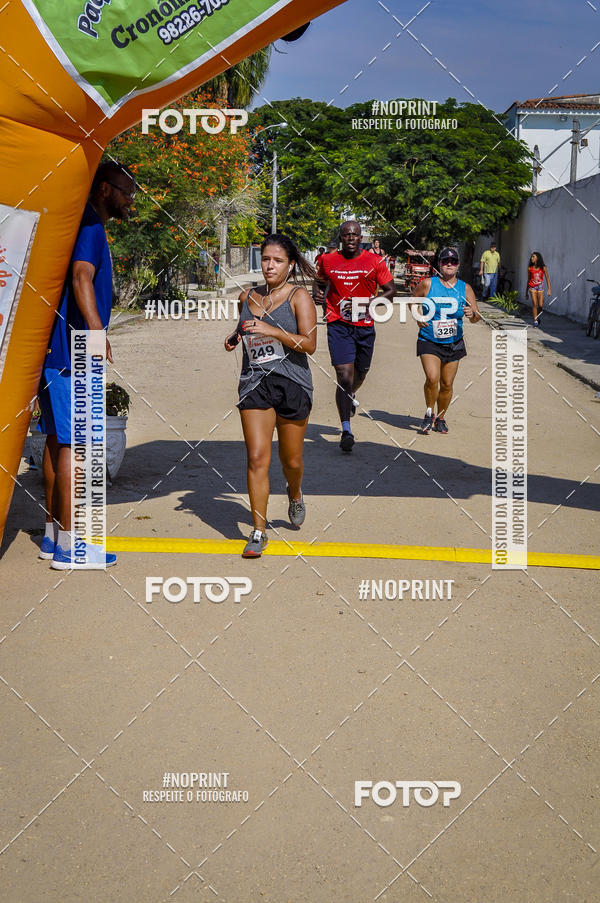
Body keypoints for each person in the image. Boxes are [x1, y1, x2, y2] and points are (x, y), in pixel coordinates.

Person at [37, 161, 135, 569]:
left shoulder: (80, 222)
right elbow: (81, 278)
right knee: (78, 445)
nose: (131, 200)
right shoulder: (90, 226)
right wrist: (96, 334)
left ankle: (54, 535)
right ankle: (73, 546)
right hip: (73, 350)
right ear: (103, 190)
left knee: (59, 440)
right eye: (126, 191)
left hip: (57, 351)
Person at [225, 234, 317, 559]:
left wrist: (274, 331)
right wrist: (235, 337)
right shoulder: (246, 296)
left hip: (292, 383)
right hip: (255, 385)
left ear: (290, 265)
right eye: (265, 259)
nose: (269, 265)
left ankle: (294, 493)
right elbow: (244, 329)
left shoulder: (298, 296)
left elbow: (309, 344)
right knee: (256, 458)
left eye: (277, 260)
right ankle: (259, 531)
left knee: (290, 460)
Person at [317, 220, 394, 452]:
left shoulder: (374, 261)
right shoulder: (328, 260)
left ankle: (350, 396)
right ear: (341, 237)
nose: (351, 238)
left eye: (355, 234)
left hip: (365, 325)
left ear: (361, 238)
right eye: (346, 234)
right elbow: (319, 281)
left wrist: (370, 303)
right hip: (338, 323)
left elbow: (391, 290)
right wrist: (319, 295)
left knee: (360, 373)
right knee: (344, 375)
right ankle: (346, 429)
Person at [413, 247, 481, 435]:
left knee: (447, 384)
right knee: (432, 377)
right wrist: (417, 315)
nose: (449, 264)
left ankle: (440, 418)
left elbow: (477, 317)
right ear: (439, 265)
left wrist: (472, 314)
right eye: (445, 261)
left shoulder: (465, 288)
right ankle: (429, 412)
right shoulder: (427, 283)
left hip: (454, 342)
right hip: (429, 339)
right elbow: (413, 299)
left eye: (453, 261)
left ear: (458, 265)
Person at [527, 251, 551, 327]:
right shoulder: (530, 268)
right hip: (532, 287)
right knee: (535, 304)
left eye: (533, 257)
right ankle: (535, 320)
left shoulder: (543, 267)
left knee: (540, 306)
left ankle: (536, 316)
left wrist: (549, 289)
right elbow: (528, 280)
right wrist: (526, 292)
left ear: (538, 258)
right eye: (531, 257)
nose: (531, 258)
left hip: (540, 287)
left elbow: (547, 278)